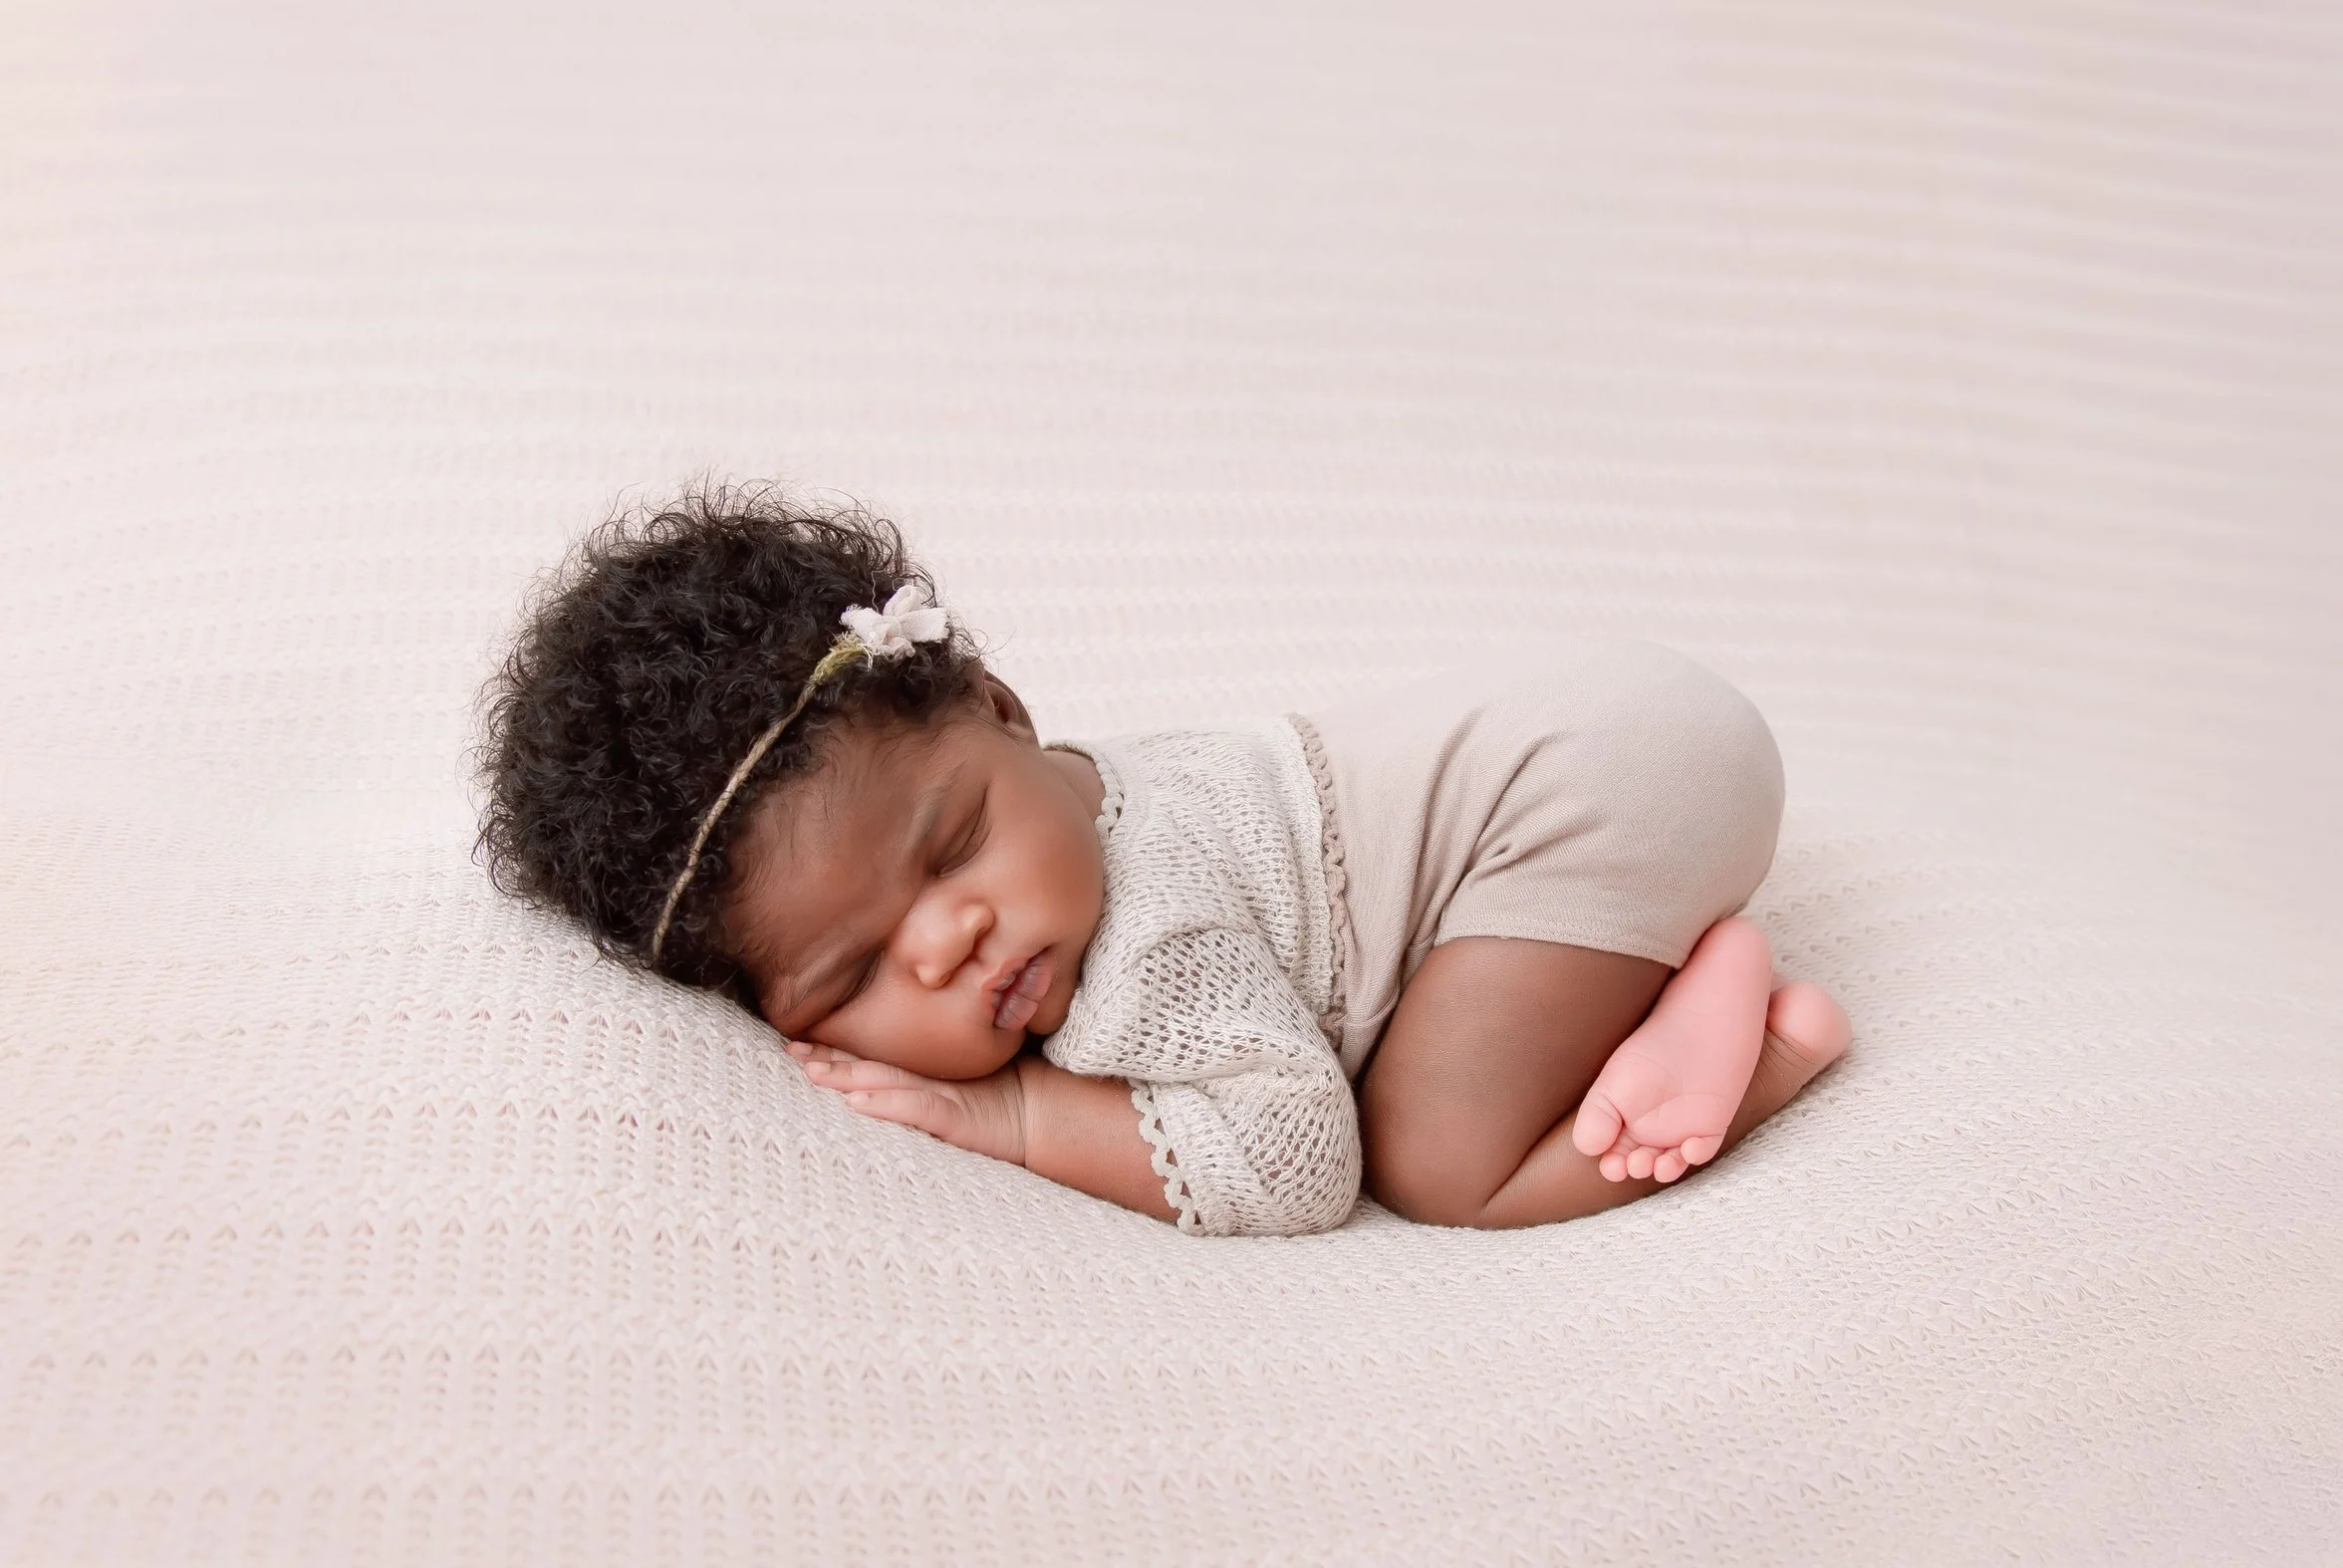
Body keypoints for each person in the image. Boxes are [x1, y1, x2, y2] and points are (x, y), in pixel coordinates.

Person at [478, 487, 1850, 1235]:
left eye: (954, 845)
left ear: (1012, 712)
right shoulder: (1058, 804)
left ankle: (1756, 1037)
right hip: (1611, 716)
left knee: (1437, 1160)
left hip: (1604, 790)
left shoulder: (1138, 949)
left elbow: (1304, 1155)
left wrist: (1016, 1121)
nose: (950, 938)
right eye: (856, 969)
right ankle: (1663, 968)